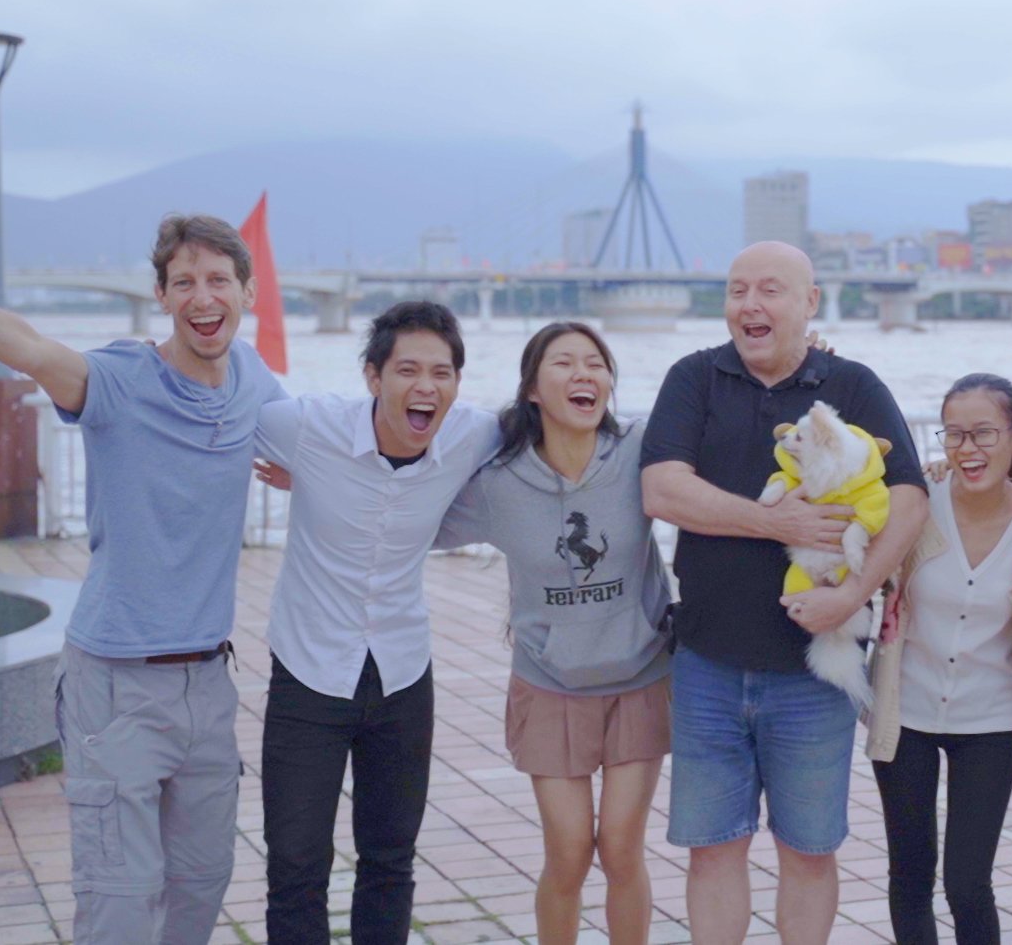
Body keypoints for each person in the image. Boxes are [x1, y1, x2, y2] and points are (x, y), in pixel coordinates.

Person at [0, 217, 284, 944]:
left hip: (209, 685)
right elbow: (29, 347)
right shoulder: (120, 382)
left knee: (199, 886)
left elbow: (332, 442)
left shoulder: (256, 380)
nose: (203, 296)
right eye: (184, 282)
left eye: (219, 279)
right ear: (161, 295)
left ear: (247, 292)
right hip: (116, 683)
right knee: (119, 902)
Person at [640, 241, 928, 945]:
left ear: (810, 303)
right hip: (706, 659)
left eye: (770, 290)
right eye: (738, 290)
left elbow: (911, 498)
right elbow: (661, 488)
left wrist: (854, 591)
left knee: (808, 851)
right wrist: (774, 521)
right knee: (712, 850)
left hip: (812, 672)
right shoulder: (694, 378)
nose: (750, 305)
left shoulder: (853, 386)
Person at [252, 301, 500, 944]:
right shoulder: (307, 427)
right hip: (308, 673)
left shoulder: (474, 434)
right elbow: (213, 407)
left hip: (402, 674)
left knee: (390, 862)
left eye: (442, 374)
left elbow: (566, 429)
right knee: (296, 866)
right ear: (373, 376)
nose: (426, 387)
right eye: (408, 370)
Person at [433, 321, 673, 945]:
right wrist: (330, 481)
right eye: (564, 363)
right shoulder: (499, 484)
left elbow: (731, 449)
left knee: (622, 849)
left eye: (595, 363)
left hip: (639, 677)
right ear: (533, 390)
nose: (583, 374)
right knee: (568, 853)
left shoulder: (642, 451)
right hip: (549, 683)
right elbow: (409, 516)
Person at [866, 373, 1012, 945]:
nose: (967, 450)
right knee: (909, 874)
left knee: (968, 882)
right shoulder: (916, 507)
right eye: (954, 436)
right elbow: (846, 491)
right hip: (906, 715)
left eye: (983, 434)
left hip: (992, 722)